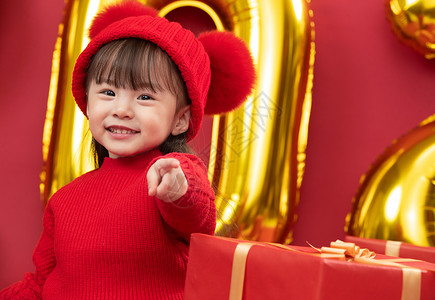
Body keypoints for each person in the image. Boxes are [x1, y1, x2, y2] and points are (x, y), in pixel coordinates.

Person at [0, 1, 255, 299]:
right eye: (108, 92)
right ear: (87, 99)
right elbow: (41, 283)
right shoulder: (64, 200)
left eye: (144, 96)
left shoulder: (172, 175)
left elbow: (196, 211)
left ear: (180, 119)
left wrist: (177, 188)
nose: (121, 109)